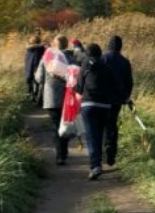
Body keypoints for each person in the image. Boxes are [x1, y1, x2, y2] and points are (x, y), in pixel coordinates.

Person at [75, 43, 118, 180]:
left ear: (87, 54)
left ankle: (95, 166)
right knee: (101, 134)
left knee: (92, 137)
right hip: (105, 106)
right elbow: (114, 86)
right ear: (100, 54)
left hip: (88, 105)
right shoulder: (107, 67)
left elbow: (79, 89)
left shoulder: (84, 66)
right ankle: (104, 158)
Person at [34, 35, 76, 165]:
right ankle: (64, 151)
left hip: (51, 97)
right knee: (66, 124)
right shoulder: (71, 58)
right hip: (68, 97)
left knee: (56, 126)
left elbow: (39, 78)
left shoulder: (47, 58)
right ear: (66, 44)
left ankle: (60, 155)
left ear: (55, 45)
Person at [102, 35, 133, 167]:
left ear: (109, 45)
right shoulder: (124, 61)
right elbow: (129, 82)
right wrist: (126, 96)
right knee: (112, 125)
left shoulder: (102, 58)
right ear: (121, 46)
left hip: (102, 98)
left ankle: (102, 150)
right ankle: (111, 152)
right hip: (117, 99)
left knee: (101, 124)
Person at [23, 35, 46, 105]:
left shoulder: (29, 49)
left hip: (30, 68)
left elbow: (27, 60)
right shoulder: (41, 49)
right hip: (37, 68)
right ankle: (36, 97)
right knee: (37, 83)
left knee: (31, 82)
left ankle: (31, 95)